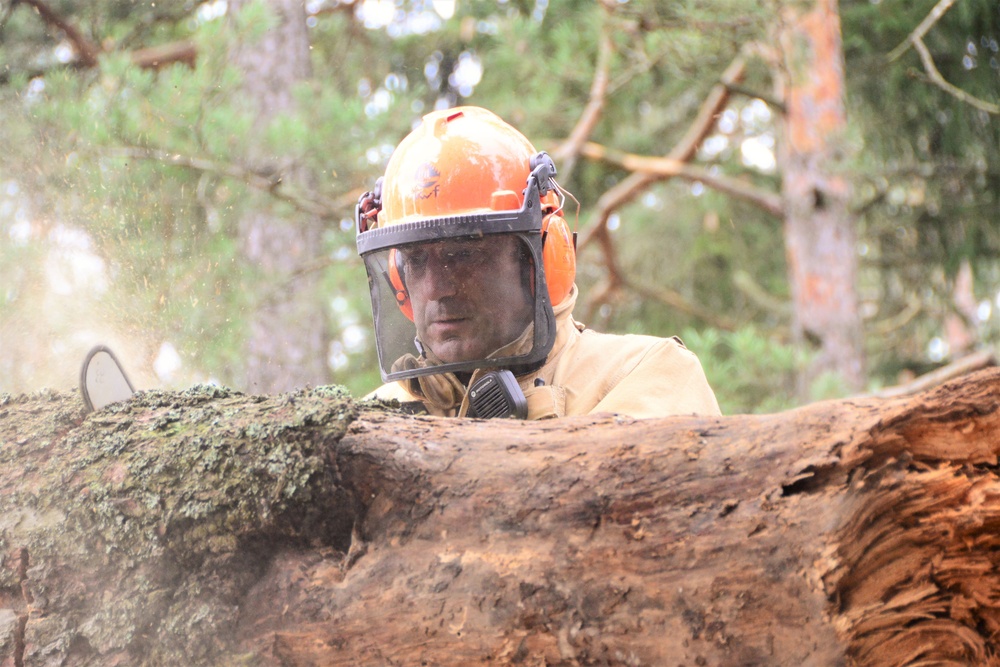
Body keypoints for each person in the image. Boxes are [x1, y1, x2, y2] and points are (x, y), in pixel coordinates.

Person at [355, 106, 720, 419]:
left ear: (541, 260)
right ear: (398, 278)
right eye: (416, 261)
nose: (436, 288)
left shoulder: (647, 375)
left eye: (462, 254)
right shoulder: (373, 418)